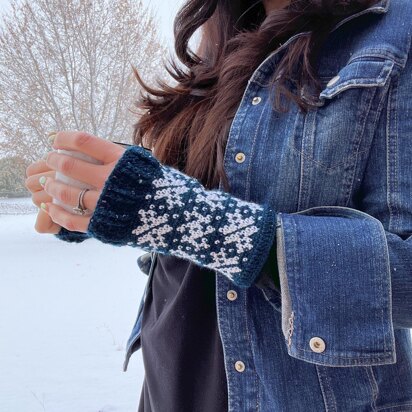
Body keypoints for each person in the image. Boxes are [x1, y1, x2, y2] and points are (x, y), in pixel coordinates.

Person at [25, 0, 412, 410]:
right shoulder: (224, 39)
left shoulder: (395, 30)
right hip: (170, 382)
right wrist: (105, 198)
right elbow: (199, 208)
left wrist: (177, 212)